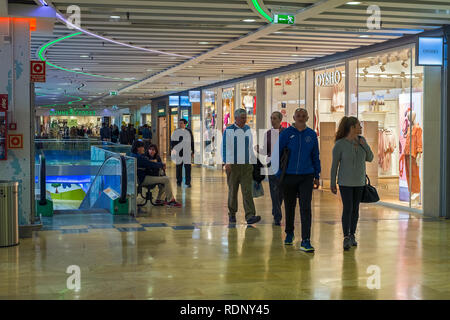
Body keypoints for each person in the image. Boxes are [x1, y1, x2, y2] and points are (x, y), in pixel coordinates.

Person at [277, 108, 320, 252]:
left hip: (306, 176)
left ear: (307, 118)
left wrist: (317, 175)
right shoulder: (287, 133)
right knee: (289, 206)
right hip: (289, 175)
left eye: (303, 116)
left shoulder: (312, 135)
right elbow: (277, 152)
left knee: (306, 208)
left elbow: (315, 155)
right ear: (294, 117)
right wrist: (278, 174)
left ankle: (306, 240)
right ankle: (289, 233)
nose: (301, 118)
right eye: (298, 116)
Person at [330, 116, 374, 250]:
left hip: (359, 182)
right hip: (345, 182)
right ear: (352, 128)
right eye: (358, 125)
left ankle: (353, 234)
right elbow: (334, 165)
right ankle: (346, 236)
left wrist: (364, 145)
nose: (361, 127)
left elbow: (370, 158)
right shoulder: (340, 144)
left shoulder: (362, 141)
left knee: (355, 209)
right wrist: (332, 182)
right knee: (347, 208)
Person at [222, 108, 261, 225]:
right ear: (236, 118)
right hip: (233, 166)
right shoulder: (229, 130)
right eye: (242, 118)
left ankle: (250, 215)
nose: (245, 120)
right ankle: (232, 213)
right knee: (233, 191)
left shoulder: (248, 129)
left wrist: (253, 161)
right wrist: (227, 162)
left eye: (245, 118)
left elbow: (249, 147)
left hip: (246, 165)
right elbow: (225, 147)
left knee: (247, 191)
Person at [131, 140, 181, 207]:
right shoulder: (139, 158)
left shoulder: (134, 156)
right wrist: (161, 164)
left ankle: (159, 199)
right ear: (138, 148)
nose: (143, 149)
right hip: (143, 179)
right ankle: (170, 201)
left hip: (139, 178)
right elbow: (150, 164)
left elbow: (148, 162)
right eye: (142, 147)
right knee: (166, 180)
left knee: (163, 179)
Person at [256, 111, 284, 226]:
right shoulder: (267, 134)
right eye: (271, 118)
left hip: (283, 164)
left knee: (281, 191)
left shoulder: (285, 133)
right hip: (271, 163)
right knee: (274, 190)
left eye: (275, 118)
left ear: (280, 120)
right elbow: (265, 150)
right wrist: (259, 150)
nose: (272, 120)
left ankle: (276, 208)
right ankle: (277, 215)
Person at [171, 119, 194, 187]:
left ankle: (188, 182)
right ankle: (178, 181)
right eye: (179, 123)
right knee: (178, 168)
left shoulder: (189, 131)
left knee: (188, 168)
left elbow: (192, 141)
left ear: (185, 124)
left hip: (187, 152)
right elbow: (172, 141)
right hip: (178, 152)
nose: (180, 125)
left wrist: (193, 151)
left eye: (181, 123)